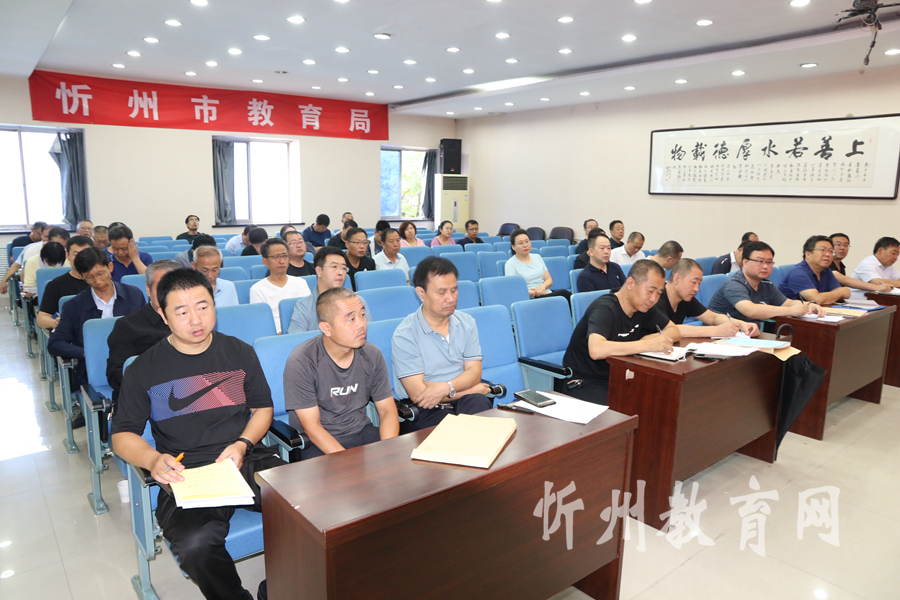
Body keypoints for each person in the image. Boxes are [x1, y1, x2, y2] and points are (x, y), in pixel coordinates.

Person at [111, 268, 284, 600]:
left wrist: (242, 444)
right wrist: (152, 459)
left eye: (203, 307)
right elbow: (122, 436)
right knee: (195, 545)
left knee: (307, 502)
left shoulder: (239, 352)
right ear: (163, 315)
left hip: (244, 457)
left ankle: (280, 588)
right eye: (182, 311)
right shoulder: (144, 368)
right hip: (186, 471)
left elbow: (263, 408)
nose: (196, 319)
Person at [284, 287, 399, 459]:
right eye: (351, 319)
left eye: (362, 315)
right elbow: (312, 427)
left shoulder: (372, 354)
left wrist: (388, 452)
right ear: (326, 328)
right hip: (318, 442)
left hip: (360, 431)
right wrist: (348, 463)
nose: (361, 324)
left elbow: (387, 410)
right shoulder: (302, 361)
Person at [391, 257, 493, 432]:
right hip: (426, 409)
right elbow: (420, 395)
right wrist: (469, 390)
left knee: (481, 409)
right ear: (421, 293)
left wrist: (445, 388)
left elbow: (474, 372)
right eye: (441, 292)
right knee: (450, 434)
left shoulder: (467, 322)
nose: (450, 298)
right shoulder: (405, 334)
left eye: (454, 290)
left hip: (463, 398)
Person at [562, 259, 681, 405]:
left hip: (616, 377)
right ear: (630, 283)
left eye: (659, 293)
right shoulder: (605, 308)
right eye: (650, 291)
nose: (653, 299)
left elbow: (674, 330)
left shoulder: (643, 308)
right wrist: (646, 345)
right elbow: (596, 350)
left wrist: (649, 339)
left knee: (662, 397)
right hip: (583, 382)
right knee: (630, 407)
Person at [48, 246, 145, 394]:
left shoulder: (134, 295)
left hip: (131, 364)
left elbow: (146, 331)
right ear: (81, 276)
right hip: (93, 369)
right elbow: (55, 343)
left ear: (110, 267)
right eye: (90, 277)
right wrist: (87, 352)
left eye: (101, 274)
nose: (98, 281)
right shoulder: (74, 306)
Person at [106, 259, 181, 403]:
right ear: (148, 290)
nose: (168, 293)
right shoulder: (127, 326)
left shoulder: (194, 322)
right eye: (162, 287)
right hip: (147, 399)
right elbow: (116, 376)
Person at [708, 241, 824, 328]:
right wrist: (791, 310)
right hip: (720, 335)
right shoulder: (734, 284)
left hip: (748, 333)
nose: (765, 266)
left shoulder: (765, 283)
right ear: (745, 262)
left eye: (769, 262)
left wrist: (807, 305)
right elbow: (750, 310)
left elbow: (786, 302)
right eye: (760, 261)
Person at [657, 259, 759, 337]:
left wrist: (742, 324)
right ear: (677, 278)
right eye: (693, 282)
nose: (697, 289)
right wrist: (717, 331)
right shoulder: (656, 298)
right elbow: (669, 329)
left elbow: (713, 317)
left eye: (699, 284)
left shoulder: (686, 298)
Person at [287, 247, 372, 333]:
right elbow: (296, 339)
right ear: (319, 271)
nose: (340, 272)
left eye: (343, 268)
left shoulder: (358, 301)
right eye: (334, 267)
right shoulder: (304, 306)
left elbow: (369, 334)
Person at [249, 238, 311, 333]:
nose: (282, 261)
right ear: (265, 261)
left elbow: (310, 313)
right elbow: (260, 322)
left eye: (284, 256)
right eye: (276, 257)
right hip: (275, 335)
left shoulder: (301, 282)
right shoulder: (257, 289)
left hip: (303, 332)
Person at [36, 235, 94, 330]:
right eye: (76, 254)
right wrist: (55, 322)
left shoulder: (103, 281)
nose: (81, 258)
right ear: (67, 255)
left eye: (86, 254)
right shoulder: (57, 284)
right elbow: (41, 318)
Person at [778, 235, 852, 304]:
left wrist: (839, 293)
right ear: (808, 254)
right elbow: (816, 300)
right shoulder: (798, 272)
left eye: (831, 251)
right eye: (823, 250)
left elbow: (846, 294)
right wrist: (841, 292)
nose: (828, 254)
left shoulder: (826, 270)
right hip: (789, 313)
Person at [505, 228, 572, 301]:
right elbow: (514, 289)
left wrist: (542, 287)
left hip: (546, 292)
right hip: (530, 297)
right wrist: (536, 292)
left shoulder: (537, 257)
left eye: (527, 241)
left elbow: (549, 279)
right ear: (513, 247)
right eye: (520, 243)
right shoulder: (510, 264)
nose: (525, 245)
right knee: (564, 294)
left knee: (567, 296)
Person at [0, 223, 53, 294]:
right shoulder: (31, 248)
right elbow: (16, 265)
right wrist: (4, 280)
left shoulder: (62, 249)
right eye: (45, 236)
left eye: (49, 237)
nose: (47, 239)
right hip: (36, 285)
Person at [21, 228, 70, 295]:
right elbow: (29, 285)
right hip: (40, 295)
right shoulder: (32, 261)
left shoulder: (69, 259)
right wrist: (28, 291)